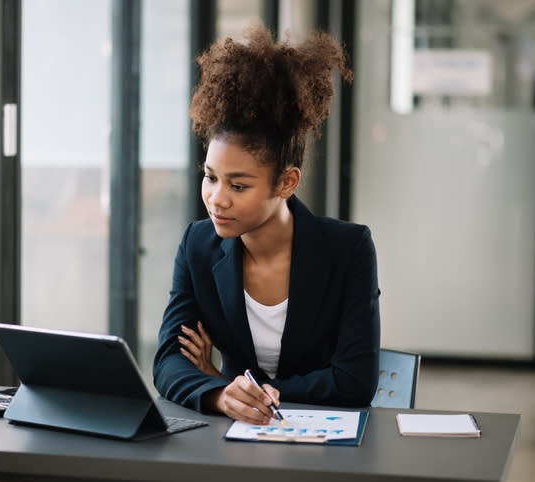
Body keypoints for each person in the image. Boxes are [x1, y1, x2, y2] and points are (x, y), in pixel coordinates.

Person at [153, 24, 381, 426]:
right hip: (233, 439)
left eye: (238, 185)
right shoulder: (198, 245)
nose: (217, 198)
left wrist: (238, 385)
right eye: (210, 177)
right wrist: (221, 394)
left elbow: (354, 381)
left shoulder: (348, 250)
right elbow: (169, 361)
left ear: (286, 182)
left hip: (326, 443)